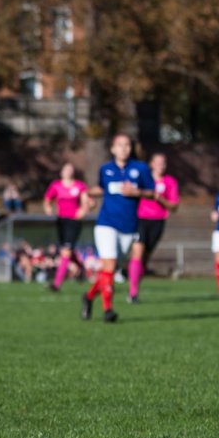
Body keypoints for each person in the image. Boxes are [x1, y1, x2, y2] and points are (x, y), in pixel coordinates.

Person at [82, 134, 154, 323]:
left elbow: (152, 193)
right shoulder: (105, 169)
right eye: (120, 145)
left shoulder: (140, 168)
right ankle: (108, 310)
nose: (124, 148)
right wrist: (87, 194)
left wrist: (136, 192)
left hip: (129, 228)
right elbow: (101, 188)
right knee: (110, 266)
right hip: (106, 224)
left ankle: (88, 297)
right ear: (113, 149)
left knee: (109, 270)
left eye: (127, 145)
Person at [127, 152, 179, 302]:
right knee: (137, 253)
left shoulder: (170, 182)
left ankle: (135, 287)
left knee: (144, 260)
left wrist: (159, 198)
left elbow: (174, 206)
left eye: (163, 162)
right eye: (157, 162)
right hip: (140, 219)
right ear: (151, 164)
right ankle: (133, 292)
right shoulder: (143, 178)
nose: (160, 165)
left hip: (158, 221)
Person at [42, 162, 91, 292]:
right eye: (66, 169)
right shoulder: (56, 185)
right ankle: (82, 269)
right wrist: (47, 208)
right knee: (67, 250)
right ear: (61, 172)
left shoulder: (79, 186)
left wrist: (84, 209)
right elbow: (47, 199)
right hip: (61, 221)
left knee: (66, 251)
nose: (68, 171)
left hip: (74, 221)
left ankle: (57, 284)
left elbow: (86, 201)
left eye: (70, 169)